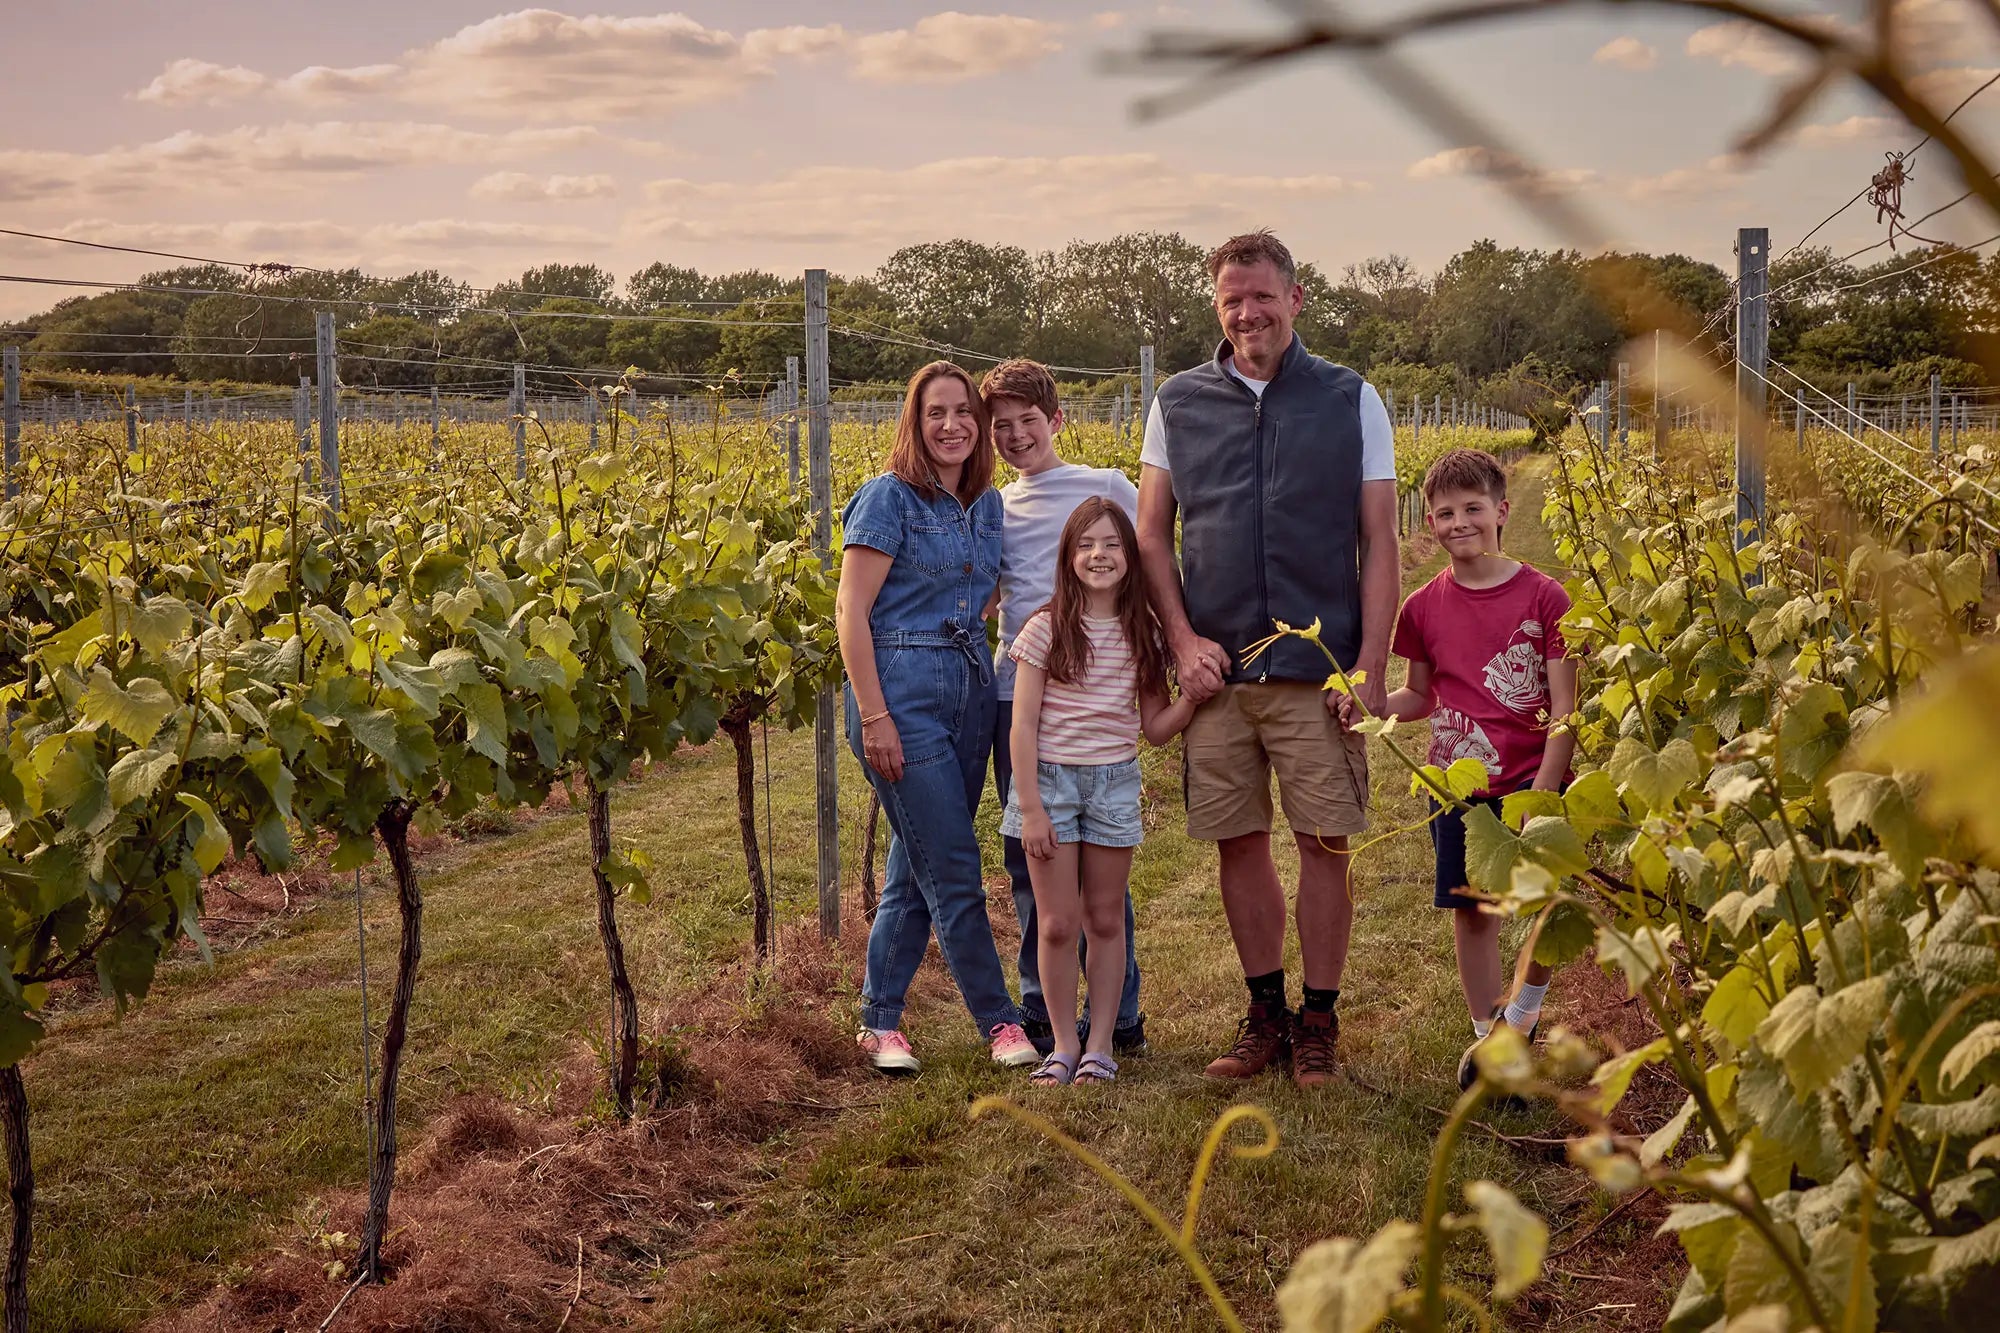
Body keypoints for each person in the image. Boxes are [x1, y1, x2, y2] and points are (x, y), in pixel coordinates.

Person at [1136, 229, 1400, 1088]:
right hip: (1218, 677)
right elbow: (1150, 533)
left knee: (1325, 842)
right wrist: (1181, 641)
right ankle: (1265, 1013)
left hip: (1316, 672)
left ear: (1295, 298)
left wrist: (1366, 667)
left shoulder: (1350, 398)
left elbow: (1382, 539)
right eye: (1230, 300)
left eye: (1261, 295)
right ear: (1218, 309)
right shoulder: (1178, 400)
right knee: (1237, 845)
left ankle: (1319, 1018)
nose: (1247, 312)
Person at [836, 360, 1039, 1076]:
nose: (952, 424)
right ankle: (1000, 1021)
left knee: (913, 863)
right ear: (914, 424)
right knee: (953, 865)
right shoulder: (887, 499)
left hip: (971, 689)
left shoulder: (985, 504)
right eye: (935, 413)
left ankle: (879, 1020)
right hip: (902, 690)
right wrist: (874, 714)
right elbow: (850, 610)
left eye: (963, 412)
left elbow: (982, 594)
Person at [1365, 448, 1575, 1087]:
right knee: (1474, 909)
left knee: (1549, 907)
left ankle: (1523, 1016)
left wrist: (1543, 790)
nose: (1460, 522)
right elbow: (1420, 696)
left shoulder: (1546, 598)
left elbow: (1565, 709)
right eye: (1445, 513)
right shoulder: (1423, 608)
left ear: (1501, 511)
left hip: (1532, 782)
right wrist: (1369, 704)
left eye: (1473, 509)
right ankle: (1491, 1040)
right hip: (1457, 783)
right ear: (1430, 521)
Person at [982, 358, 1147, 1059]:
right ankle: (1044, 1010)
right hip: (1017, 696)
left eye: (1028, 421)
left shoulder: (1106, 488)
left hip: (1100, 697)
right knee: (1035, 858)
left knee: (1103, 879)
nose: (1017, 436)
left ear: (1057, 420)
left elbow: (1151, 566)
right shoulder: (993, 504)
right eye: (1003, 427)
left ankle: (1121, 1014)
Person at [1001, 498, 1196, 1085]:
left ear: (1131, 557)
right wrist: (1030, 807)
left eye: (1112, 544)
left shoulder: (1144, 634)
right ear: (1068, 557)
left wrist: (1192, 698)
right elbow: (1022, 725)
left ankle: (1102, 1044)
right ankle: (1063, 1044)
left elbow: (1155, 728)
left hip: (1114, 783)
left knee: (1105, 919)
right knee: (1057, 923)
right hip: (1052, 786)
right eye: (1086, 545)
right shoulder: (1046, 628)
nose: (1099, 555)